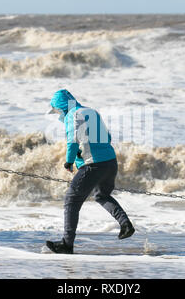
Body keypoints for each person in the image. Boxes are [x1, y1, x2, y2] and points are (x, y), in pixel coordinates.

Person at [45, 89, 134, 254]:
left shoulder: (72, 115)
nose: (57, 115)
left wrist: (69, 162)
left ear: (61, 106)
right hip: (110, 162)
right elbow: (106, 137)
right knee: (102, 196)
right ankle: (125, 224)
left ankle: (66, 244)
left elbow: (72, 142)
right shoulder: (91, 111)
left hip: (94, 165)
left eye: (57, 110)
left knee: (71, 200)